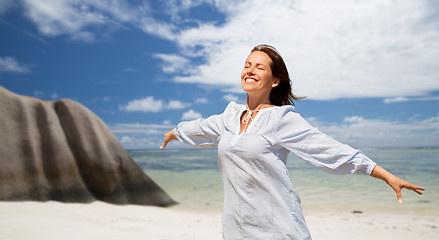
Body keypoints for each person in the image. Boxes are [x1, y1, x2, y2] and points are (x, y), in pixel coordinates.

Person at [160, 44, 425, 239]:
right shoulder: (229, 117)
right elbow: (199, 128)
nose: (250, 70)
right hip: (235, 229)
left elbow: (329, 149)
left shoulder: (281, 118)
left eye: (259, 67)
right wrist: (173, 133)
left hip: (277, 228)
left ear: (275, 80)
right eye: (247, 65)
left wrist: (384, 175)